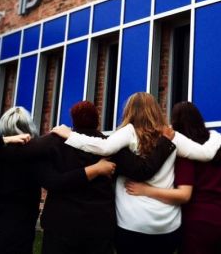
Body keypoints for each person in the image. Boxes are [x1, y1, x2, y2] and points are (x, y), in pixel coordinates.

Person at [52, 92, 221, 254]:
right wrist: (216, 136)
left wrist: (69, 135)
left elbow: (103, 147)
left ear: (129, 111)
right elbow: (205, 154)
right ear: (156, 110)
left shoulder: (128, 132)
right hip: (167, 227)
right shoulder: (172, 136)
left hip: (131, 224)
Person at [0, 106, 116, 254]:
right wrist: (95, 169)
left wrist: (0, 141)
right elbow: (56, 182)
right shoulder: (33, 157)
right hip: (14, 233)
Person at [40, 100, 177, 254]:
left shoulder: (54, 145)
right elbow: (141, 170)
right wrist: (95, 169)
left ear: (72, 120)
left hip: (60, 225)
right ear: (97, 120)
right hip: (98, 226)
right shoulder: (113, 148)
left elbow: (52, 182)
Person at [125, 101, 221, 254]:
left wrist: (146, 190)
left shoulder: (185, 153)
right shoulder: (220, 145)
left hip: (198, 223)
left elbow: (184, 195)